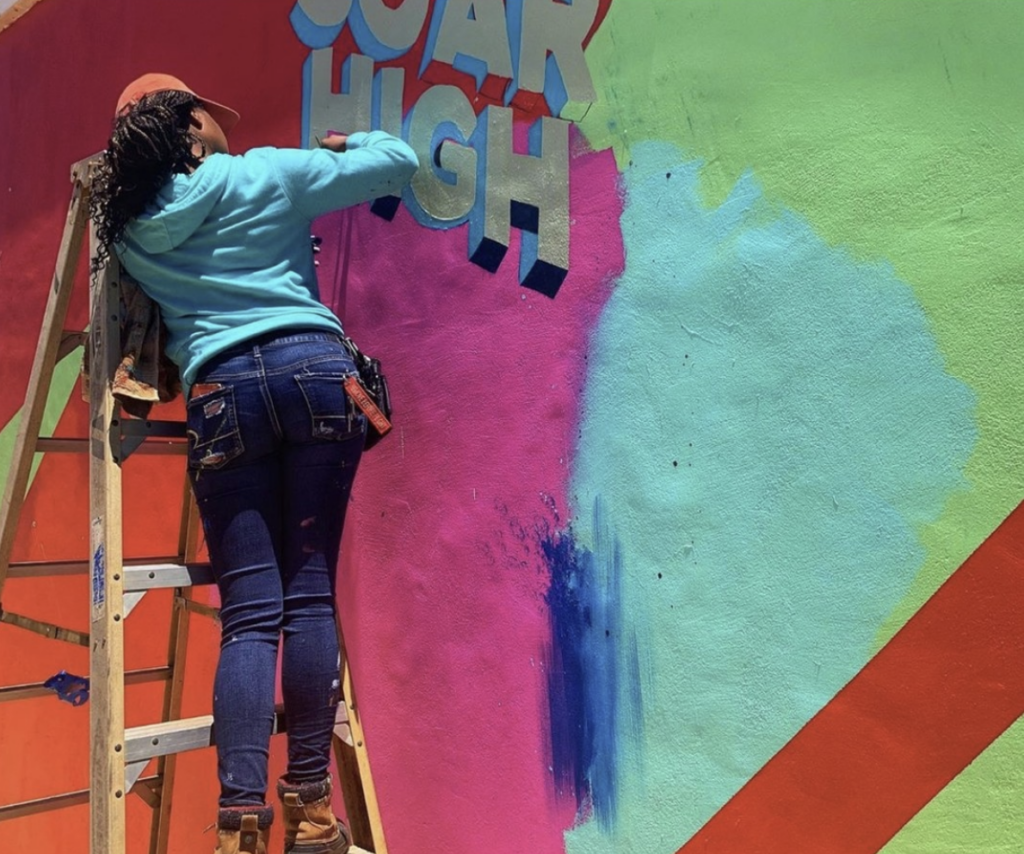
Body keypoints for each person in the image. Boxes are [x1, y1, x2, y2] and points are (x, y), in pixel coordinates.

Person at [89, 73, 418, 854]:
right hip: (313, 377)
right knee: (307, 598)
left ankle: (239, 822)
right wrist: (353, 146)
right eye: (212, 111)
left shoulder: (132, 230)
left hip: (221, 396)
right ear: (192, 125)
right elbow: (398, 162)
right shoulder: (265, 171)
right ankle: (309, 808)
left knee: (249, 618)